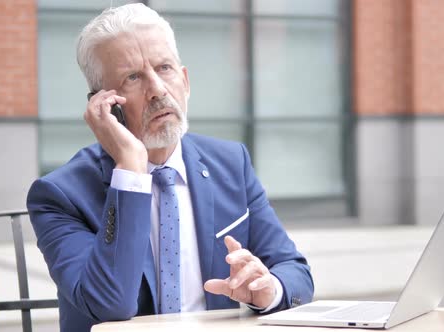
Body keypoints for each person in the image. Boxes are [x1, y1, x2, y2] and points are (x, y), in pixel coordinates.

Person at [26, 4, 313, 332]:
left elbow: (295, 272)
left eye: (164, 68)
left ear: (185, 81)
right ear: (103, 105)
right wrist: (132, 170)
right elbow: (110, 304)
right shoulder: (60, 195)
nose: (158, 90)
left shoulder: (232, 163)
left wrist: (266, 290)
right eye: (133, 77)